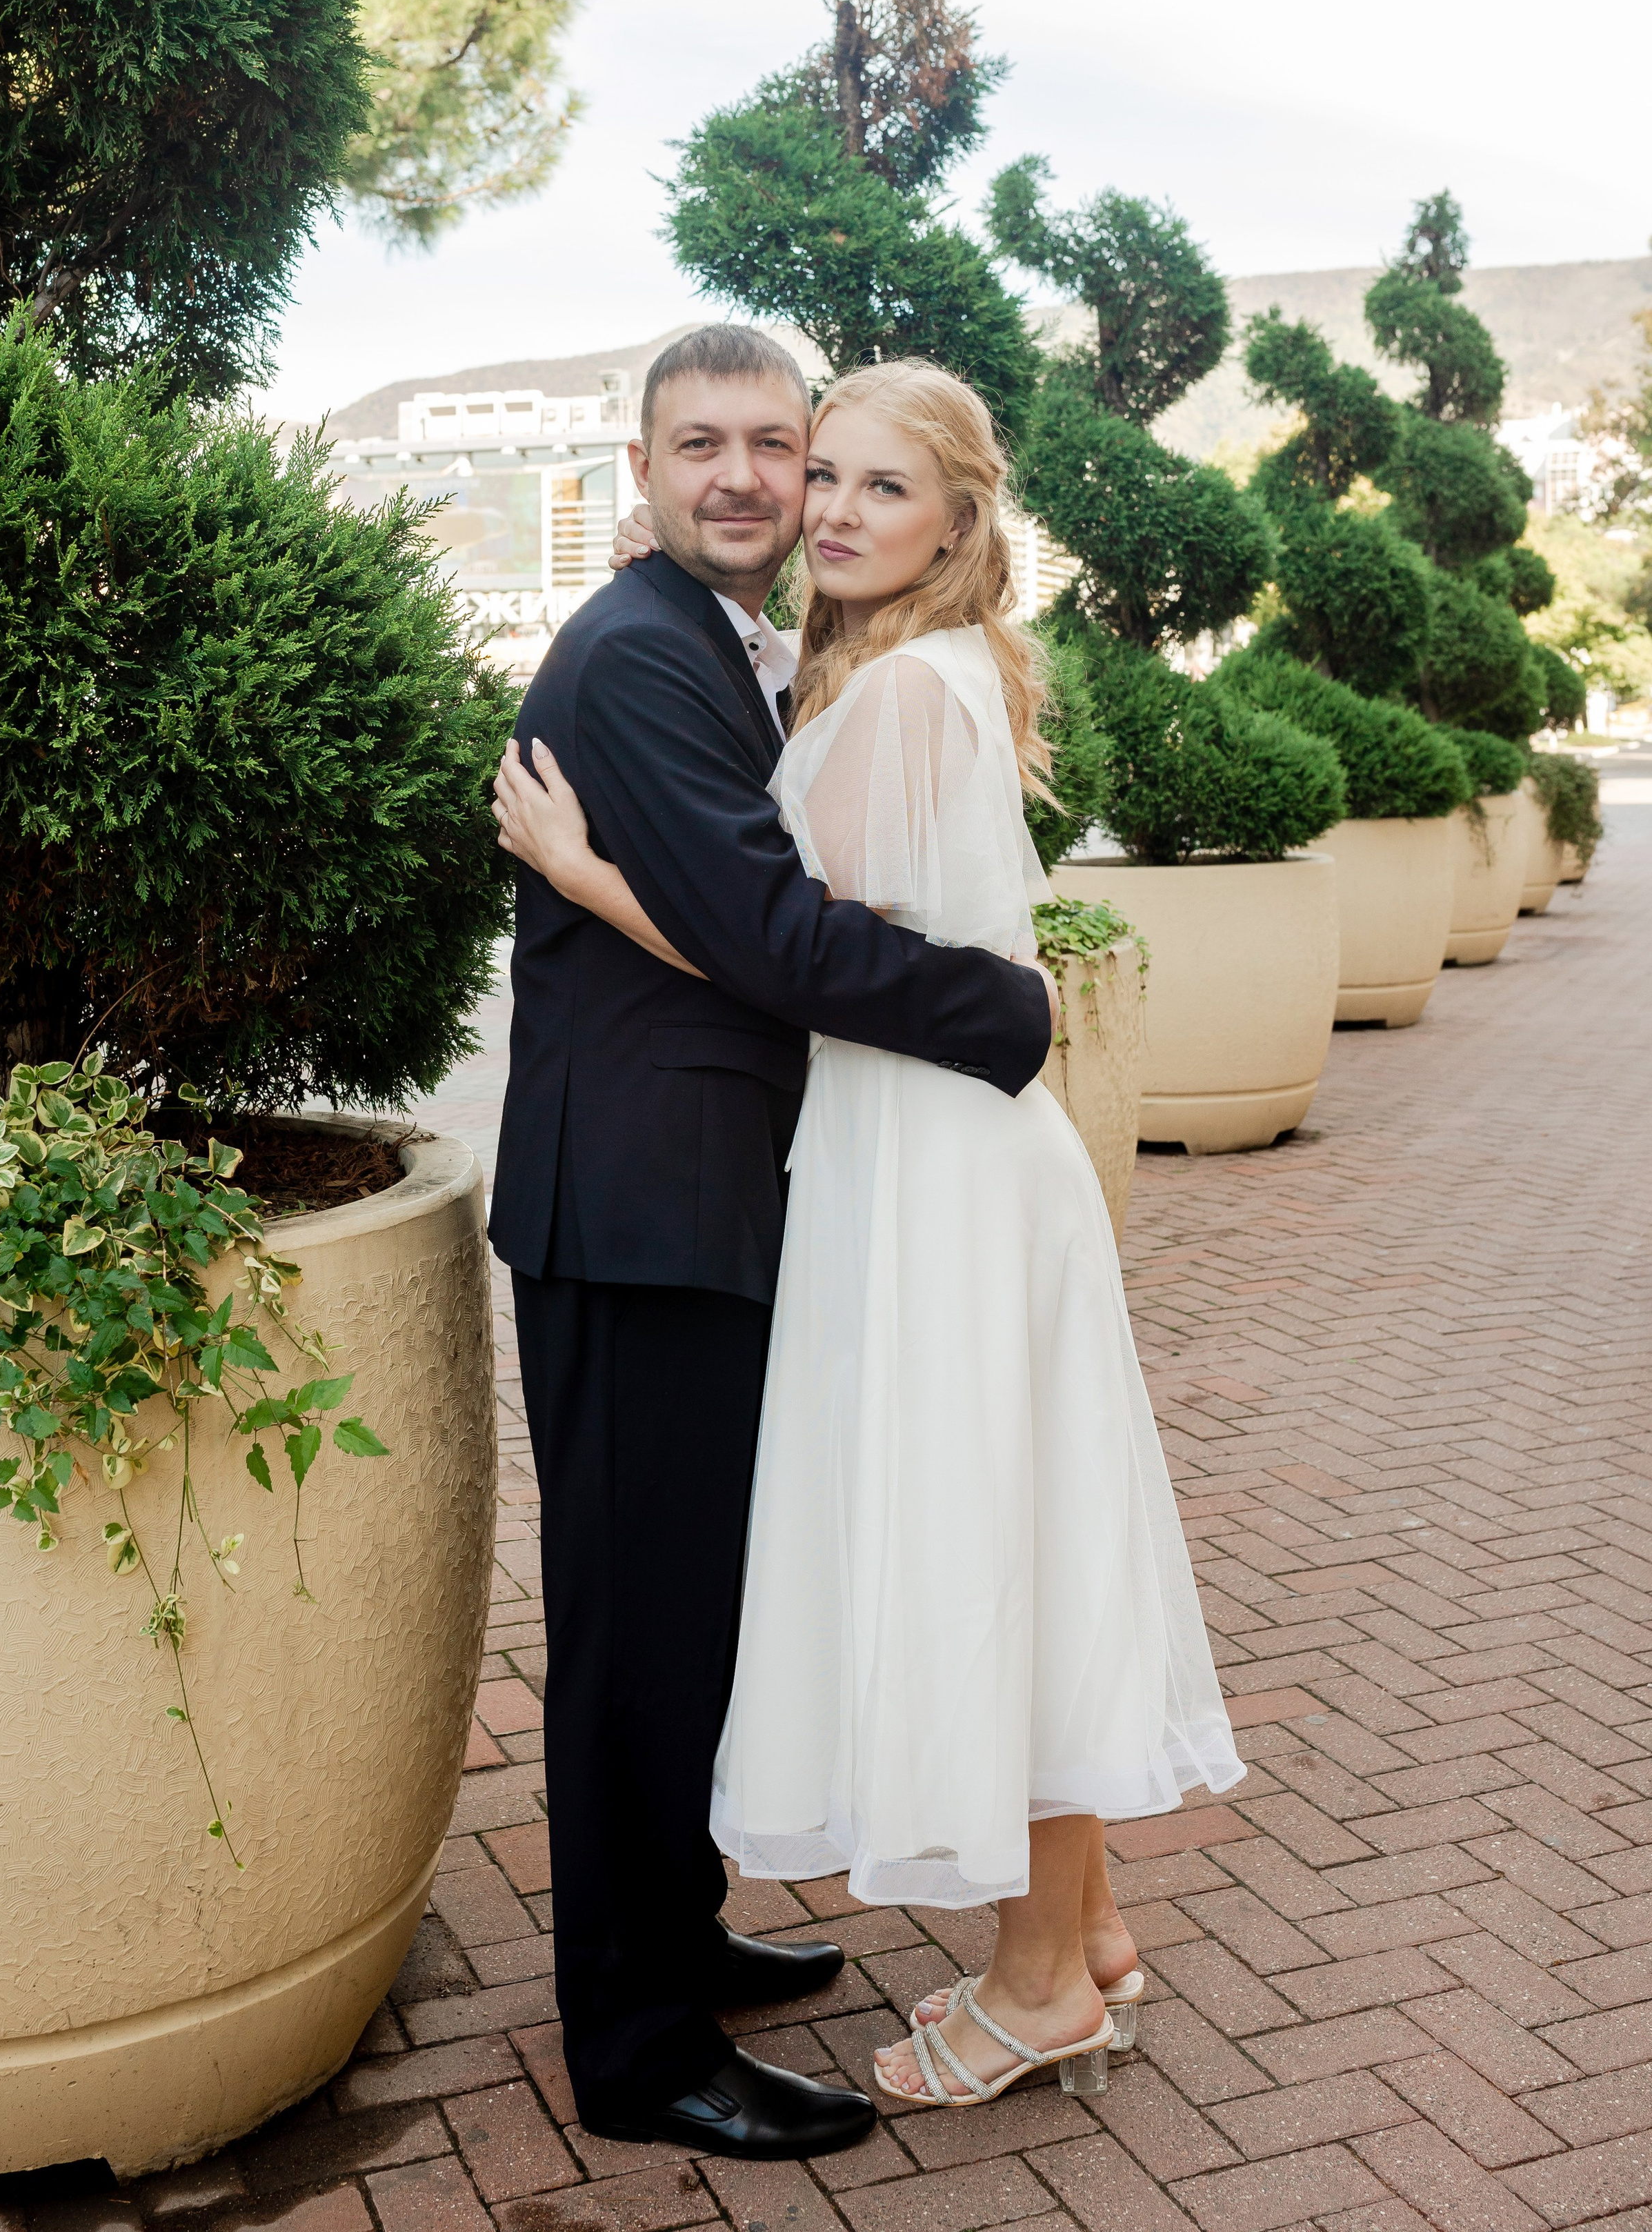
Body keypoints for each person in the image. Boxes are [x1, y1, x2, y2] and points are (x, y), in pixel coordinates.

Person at [495, 355, 1244, 2118]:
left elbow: (766, 935)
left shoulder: (849, 673)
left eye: (819, 462)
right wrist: (1004, 1011)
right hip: (653, 1205)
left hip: (886, 1172)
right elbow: (776, 938)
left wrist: (591, 873)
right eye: (733, 453)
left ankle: (936, 1955)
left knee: (917, 1554)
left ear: (955, 518)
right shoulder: (659, 649)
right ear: (645, 466)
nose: (789, 493)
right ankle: (643, 2040)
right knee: (652, 1620)